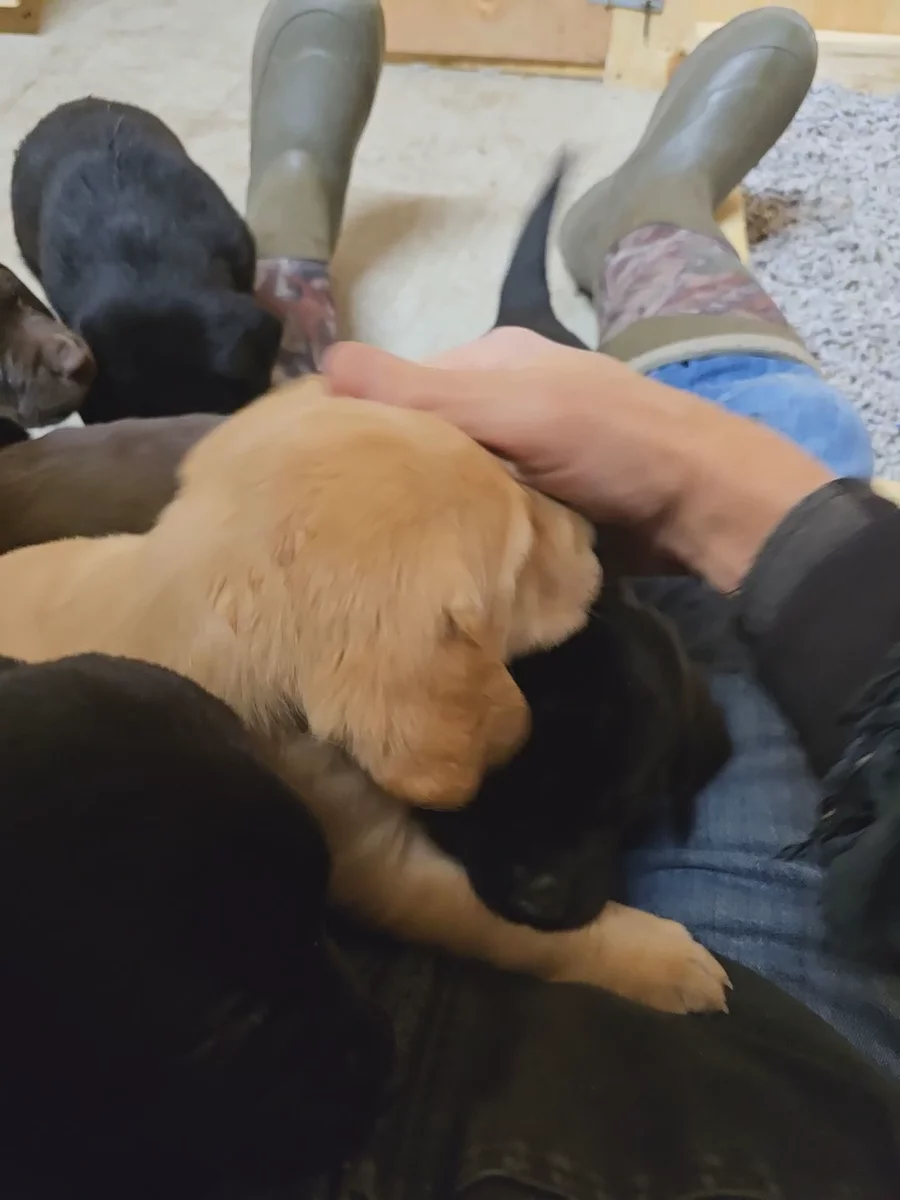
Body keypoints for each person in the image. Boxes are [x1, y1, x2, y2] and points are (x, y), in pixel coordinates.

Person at [234, 5, 900, 1198]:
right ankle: (654, 229)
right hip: (755, 1104)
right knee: (793, 441)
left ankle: (282, 277)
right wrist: (727, 496)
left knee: (248, 463)